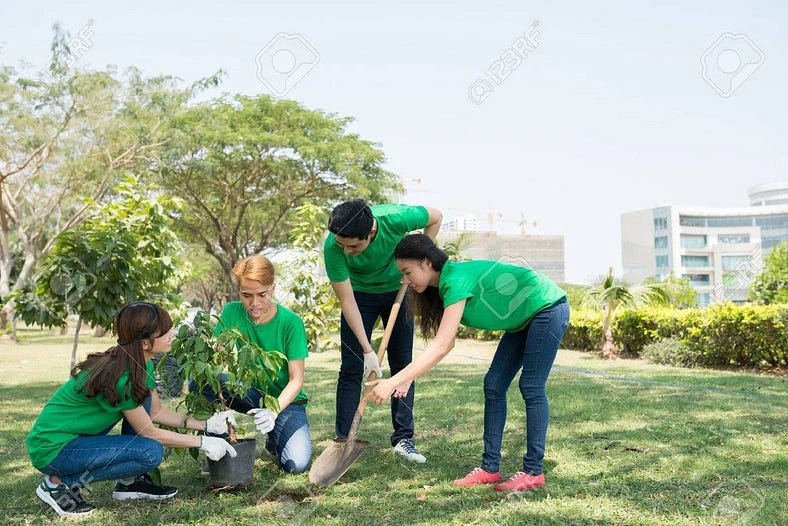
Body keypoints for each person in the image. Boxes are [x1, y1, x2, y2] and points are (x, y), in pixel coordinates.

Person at [368, 234, 570, 492]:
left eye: (407, 272)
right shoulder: (441, 290)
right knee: (494, 384)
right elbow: (447, 342)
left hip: (547, 307)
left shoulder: (455, 279)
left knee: (531, 386)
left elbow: (441, 346)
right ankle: (489, 468)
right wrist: (406, 377)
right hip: (523, 319)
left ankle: (533, 472)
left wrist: (393, 381)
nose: (404, 281)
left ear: (427, 263)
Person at [27, 302, 238, 517]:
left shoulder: (141, 363)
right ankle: (57, 484)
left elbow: (155, 412)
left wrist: (206, 424)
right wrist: (202, 442)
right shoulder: (122, 377)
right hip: (54, 449)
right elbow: (148, 432)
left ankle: (130, 483)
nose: (172, 334)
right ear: (145, 343)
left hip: (77, 441)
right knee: (149, 452)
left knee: (145, 414)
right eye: (164, 332)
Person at [324, 199, 442, 463]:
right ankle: (344, 439)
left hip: (398, 291)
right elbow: (347, 301)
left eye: (353, 245)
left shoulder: (395, 218)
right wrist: (367, 350)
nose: (347, 250)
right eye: (342, 245)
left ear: (371, 232)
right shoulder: (334, 246)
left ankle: (403, 439)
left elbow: (436, 216)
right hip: (359, 297)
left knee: (402, 366)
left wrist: (417, 261)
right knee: (352, 368)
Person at [190, 255, 311, 474]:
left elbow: (296, 380)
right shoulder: (231, 312)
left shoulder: (290, 322)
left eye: (261, 294)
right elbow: (218, 361)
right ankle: (220, 445)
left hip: (285, 401)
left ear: (272, 288)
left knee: (297, 465)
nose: (254, 303)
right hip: (250, 393)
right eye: (246, 295)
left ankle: (274, 436)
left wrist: (273, 412)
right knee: (203, 381)